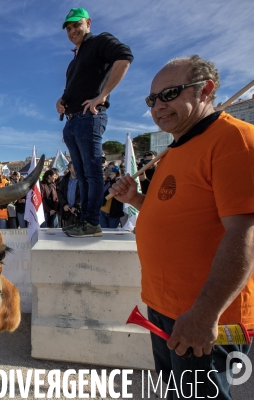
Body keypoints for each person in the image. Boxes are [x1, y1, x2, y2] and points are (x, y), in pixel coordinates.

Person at [110, 55, 254, 399]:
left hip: (204, 316)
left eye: (170, 93)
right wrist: (136, 200)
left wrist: (204, 314)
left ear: (206, 90)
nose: (158, 106)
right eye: (152, 100)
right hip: (164, 310)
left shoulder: (235, 139)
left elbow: (244, 232)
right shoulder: (176, 149)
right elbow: (179, 217)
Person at [56, 7, 133, 237]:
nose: (71, 31)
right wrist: (61, 101)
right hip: (71, 122)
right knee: (81, 173)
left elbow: (124, 56)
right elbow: (72, 90)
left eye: (76, 25)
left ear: (88, 23)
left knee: (91, 172)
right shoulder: (74, 62)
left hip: (89, 118)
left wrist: (103, 95)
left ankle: (91, 222)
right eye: (68, 28)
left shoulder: (100, 42)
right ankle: (85, 221)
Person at [57, 162, 81, 229]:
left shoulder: (82, 180)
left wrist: (76, 206)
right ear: (69, 169)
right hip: (67, 211)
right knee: (67, 232)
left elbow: (84, 195)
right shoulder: (64, 180)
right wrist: (64, 204)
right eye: (74, 167)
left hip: (78, 212)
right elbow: (60, 192)